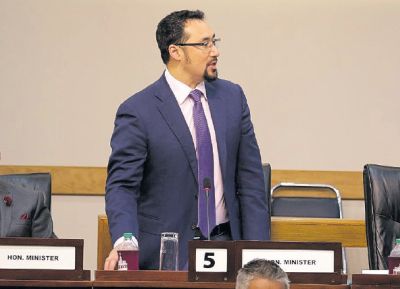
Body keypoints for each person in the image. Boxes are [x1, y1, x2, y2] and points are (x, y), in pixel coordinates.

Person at [104, 9, 269, 270]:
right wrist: (126, 240)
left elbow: (250, 181)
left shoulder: (232, 98)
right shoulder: (138, 110)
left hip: (226, 246)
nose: (215, 51)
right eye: (204, 44)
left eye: (214, 42)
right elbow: (122, 186)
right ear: (176, 51)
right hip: (165, 254)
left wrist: (259, 254)